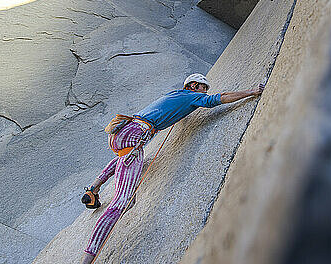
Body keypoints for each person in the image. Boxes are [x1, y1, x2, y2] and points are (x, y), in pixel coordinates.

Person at [80, 73, 264, 264]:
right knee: (124, 202)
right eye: (203, 88)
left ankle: (93, 188)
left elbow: (170, 109)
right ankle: (87, 259)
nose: (204, 92)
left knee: (125, 158)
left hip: (123, 130)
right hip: (137, 134)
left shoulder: (175, 94)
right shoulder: (193, 96)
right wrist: (251, 91)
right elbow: (219, 98)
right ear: (193, 86)